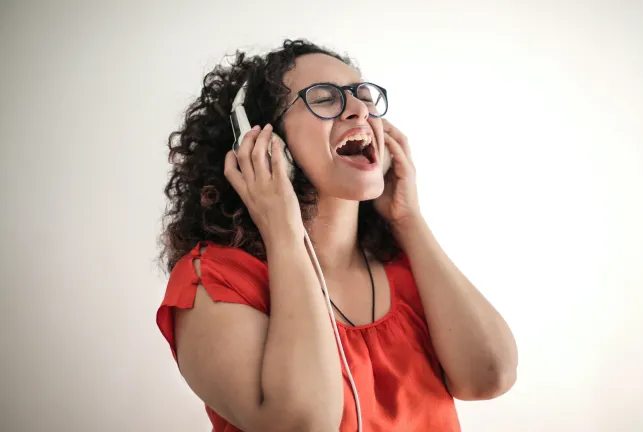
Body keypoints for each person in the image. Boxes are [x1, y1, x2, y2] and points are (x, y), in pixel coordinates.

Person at [156, 39, 518, 432]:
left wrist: (409, 220)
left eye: (363, 96)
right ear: (263, 142)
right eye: (324, 98)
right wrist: (284, 233)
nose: (360, 109)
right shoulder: (213, 281)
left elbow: (490, 377)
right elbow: (302, 424)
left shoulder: (406, 266)